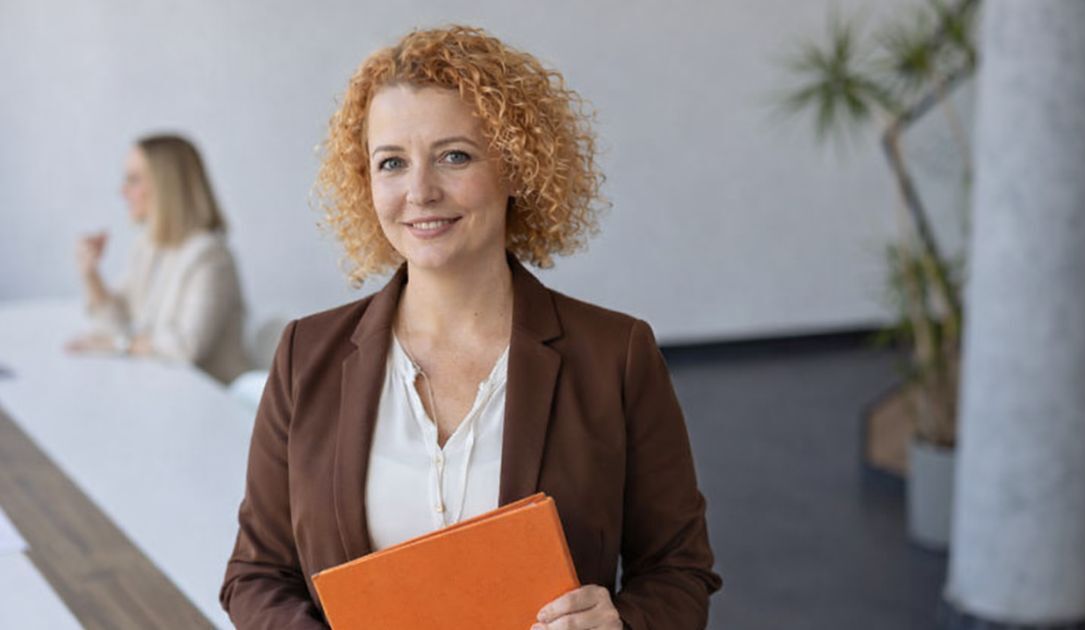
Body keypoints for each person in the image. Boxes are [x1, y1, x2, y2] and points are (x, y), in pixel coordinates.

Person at [220, 26, 720, 629]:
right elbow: (255, 575)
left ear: (517, 167)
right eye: (392, 163)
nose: (420, 192)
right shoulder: (306, 356)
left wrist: (622, 623)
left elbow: (678, 570)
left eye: (454, 156)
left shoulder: (615, 354)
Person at [67, 134, 251, 384]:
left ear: (167, 188)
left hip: (212, 395)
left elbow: (185, 348)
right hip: (168, 387)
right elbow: (116, 324)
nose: (123, 191)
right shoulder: (149, 247)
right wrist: (91, 274)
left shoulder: (209, 256)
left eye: (134, 180)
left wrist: (119, 345)